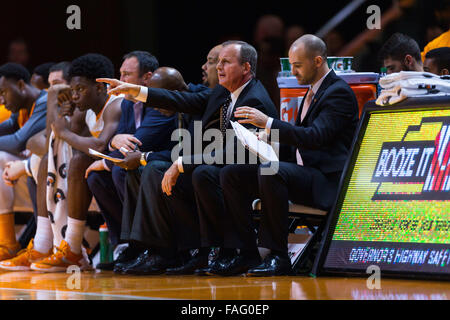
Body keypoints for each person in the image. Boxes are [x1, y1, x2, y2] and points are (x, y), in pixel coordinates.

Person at [98, 40, 278, 276]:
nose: (218, 67)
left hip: (255, 173)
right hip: (226, 168)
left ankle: (231, 251)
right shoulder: (223, 93)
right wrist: (132, 90)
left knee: (202, 173)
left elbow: (239, 152)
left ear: (245, 68)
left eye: (225, 62)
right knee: (167, 171)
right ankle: (188, 251)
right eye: (218, 62)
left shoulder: (254, 99)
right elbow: (180, 100)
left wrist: (182, 163)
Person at [214, 34, 359, 276]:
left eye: (298, 65)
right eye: (290, 65)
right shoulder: (313, 91)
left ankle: (278, 255)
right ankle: (246, 253)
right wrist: (266, 140)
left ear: (317, 61)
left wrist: (269, 123)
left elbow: (315, 137)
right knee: (232, 174)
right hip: (306, 174)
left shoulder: (338, 92)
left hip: (328, 182)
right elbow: (300, 143)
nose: (293, 71)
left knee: (273, 171)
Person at [0, 54, 123, 273]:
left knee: (75, 162)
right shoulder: (83, 108)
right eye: (72, 90)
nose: (73, 95)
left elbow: (100, 145)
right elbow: (52, 140)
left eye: (79, 90)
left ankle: (71, 247)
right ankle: (51, 245)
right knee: (49, 158)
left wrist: (65, 131)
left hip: (118, 168)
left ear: (100, 87)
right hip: (97, 169)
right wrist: (61, 118)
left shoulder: (116, 104)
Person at [84, 51, 175, 253]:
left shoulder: (162, 103)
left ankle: (146, 243)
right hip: (139, 163)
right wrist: (114, 141)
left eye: (127, 75)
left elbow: (137, 144)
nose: (120, 80)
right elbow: (118, 141)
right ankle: (124, 242)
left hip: (161, 164)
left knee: (120, 171)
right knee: (96, 177)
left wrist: (108, 159)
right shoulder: (127, 103)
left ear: (147, 78)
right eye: (120, 74)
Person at [0, 63, 47, 261]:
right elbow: (7, 128)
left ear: (20, 85)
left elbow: (19, 142)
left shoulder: (44, 102)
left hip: (52, 172)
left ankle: (12, 244)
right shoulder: (20, 109)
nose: (1, 100)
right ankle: (8, 243)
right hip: (33, 171)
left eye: (3, 93)